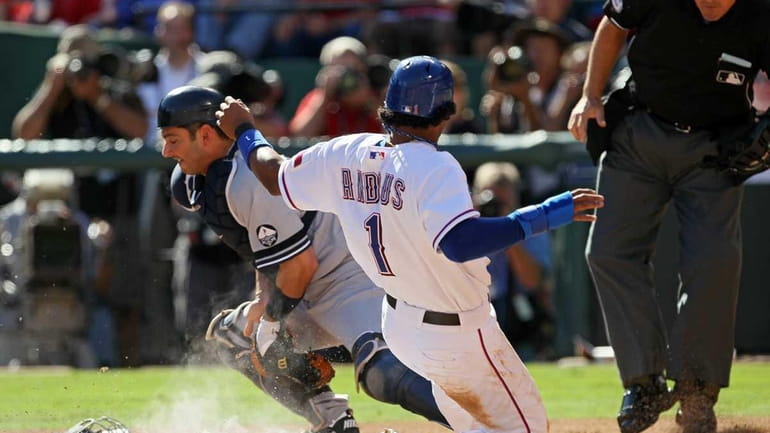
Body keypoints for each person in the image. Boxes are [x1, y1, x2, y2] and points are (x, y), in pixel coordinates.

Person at [218, 55, 604, 433]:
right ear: (446, 113)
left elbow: (273, 175)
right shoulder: (436, 167)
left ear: (387, 107)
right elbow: (459, 243)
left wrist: (246, 131)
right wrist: (545, 214)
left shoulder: (343, 152)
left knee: (475, 427)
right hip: (456, 334)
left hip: (398, 324)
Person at [157, 85, 448, 433]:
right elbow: (263, 250)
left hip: (345, 277)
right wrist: (264, 302)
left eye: (173, 139)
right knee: (233, 337)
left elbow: (299, 264)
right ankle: (331, 419)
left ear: (204, 135)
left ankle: (484, 424)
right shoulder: (197, 181)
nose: (165, 150)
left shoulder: (244, 178)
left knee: (381, 373)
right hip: (302, 285)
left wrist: (273, 324)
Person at [568, 1, 770, 432]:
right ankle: (643, 384)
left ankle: (698, 391)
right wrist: (589, 95)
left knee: (714, 263)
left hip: (716, 149)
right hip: (640, 129)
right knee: (607, 252)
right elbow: (612, 24)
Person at [472, 162, 555, 361]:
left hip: (521, 323)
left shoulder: (532, 227)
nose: (494, 207)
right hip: (477, 317)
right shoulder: (468, 228)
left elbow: (532, 281)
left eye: (502, 200)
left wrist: (507, 230)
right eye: (490, 199)